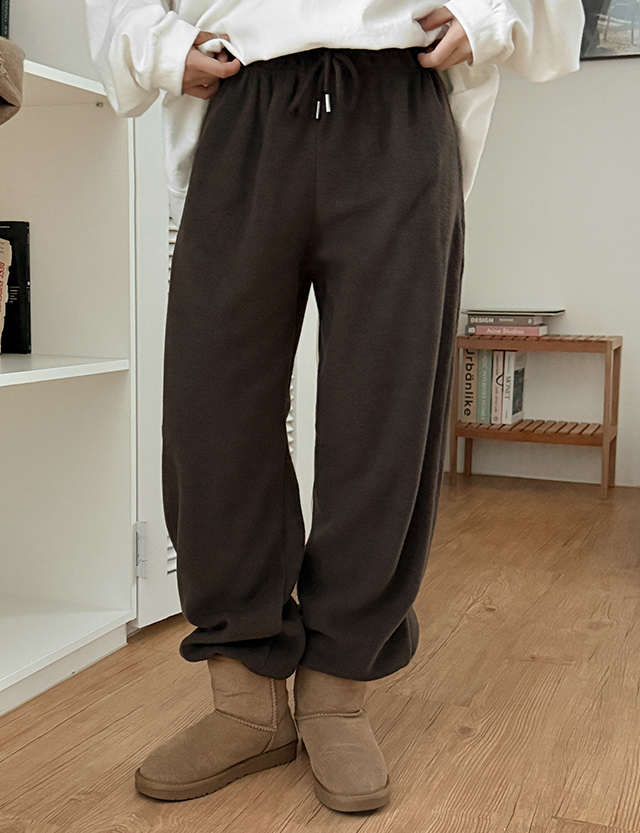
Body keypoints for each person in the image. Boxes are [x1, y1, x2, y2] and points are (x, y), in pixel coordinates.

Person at [86, 0, 584, 814]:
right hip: (242, 96)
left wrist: (493, 16)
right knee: (212, 412)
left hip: (399, 93)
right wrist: (153, 43)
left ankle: (335, 694)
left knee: (385, 413)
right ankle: (245, 701)